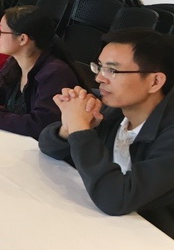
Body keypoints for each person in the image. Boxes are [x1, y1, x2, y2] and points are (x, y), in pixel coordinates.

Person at [39, 29, 174, 238]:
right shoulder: (116, 112)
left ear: (154, 82)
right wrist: (68, 128)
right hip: (109, 229)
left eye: (112, 70)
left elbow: (116, 198)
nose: (99, 78)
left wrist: (80, 129)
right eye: (100, 67)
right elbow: (48, 147)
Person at [0, 5, 83, 139]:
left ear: (22, 39)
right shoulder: (14, 63)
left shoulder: (55, 74)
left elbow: (39, 125)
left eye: (1, 32)